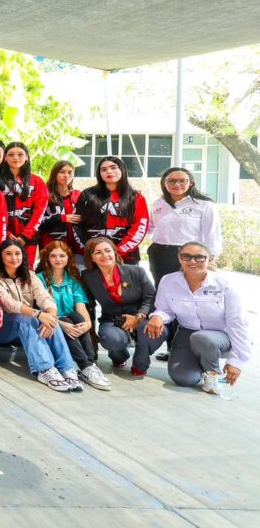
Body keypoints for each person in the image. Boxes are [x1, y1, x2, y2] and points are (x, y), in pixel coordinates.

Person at [146, 241, 249, 394]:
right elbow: (164, 309)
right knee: (183, 379)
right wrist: (158, 316)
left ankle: (212, 373)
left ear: (210, 259)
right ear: (179, 258)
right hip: (187, 331)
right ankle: (200, 362)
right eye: (186, 256)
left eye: (199, 257)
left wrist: (236, 360)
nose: (192, 261)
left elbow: (237, 323)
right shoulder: (168, 281)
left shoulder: (225, 285)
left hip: (221, 336)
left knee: (202, 338)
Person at [0, 239, 78, 392]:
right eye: (8, 254)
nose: (14, 258)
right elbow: (9, 304)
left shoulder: (29, 275)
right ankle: (45, 369)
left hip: (26, 329)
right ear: (0, 257)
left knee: (51, 320)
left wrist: (51, 315)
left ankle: (67, 368)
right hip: (2, 329)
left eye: (17, 253)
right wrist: (38, 314)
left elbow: (44, 297)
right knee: (27, 317)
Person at [81, 236, 161, 377]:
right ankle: (119, 355)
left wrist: (139, 316)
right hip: (112, 319)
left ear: (114, 252)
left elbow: (151, 297)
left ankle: (140, 363)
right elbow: (88, 304)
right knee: (112, 339)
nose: (104, 255)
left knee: (151, 331)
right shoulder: (88, 277)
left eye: (107, 250)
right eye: (98, 252)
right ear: (92, 258)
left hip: (141, 318)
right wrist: (90, 330)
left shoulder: (136, 272)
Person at [35, 241, 109, 389]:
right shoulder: (39, 278)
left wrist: (87, 324)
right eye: (54, 256)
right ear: (47, 259)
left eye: (62, 255)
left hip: (70, 320)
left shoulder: (73, 280)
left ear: (68, 257)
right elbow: (40, 309)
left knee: (78, 318)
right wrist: (62, 325)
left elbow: (80, 306)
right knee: (67, 319)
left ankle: (89, 365)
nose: (58, 259)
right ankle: (86, 365)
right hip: (49, 321)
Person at [147, 167, 222, 285]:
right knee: (161, 288)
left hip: (190, 254)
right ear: (163, 183)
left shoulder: (204, 204)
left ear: (191, 182)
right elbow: (149, 227)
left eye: (182, 180)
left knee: (190, 288)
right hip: (160, 253)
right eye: (171, 181)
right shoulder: (158, 203)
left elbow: (212, 232)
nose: (177, 184)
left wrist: (211, 256)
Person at [76, 156, 149, 264]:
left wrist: (118, 251)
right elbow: (76, 224)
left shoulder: (136, 197)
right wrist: (91, 250)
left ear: (122, 169)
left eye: (113, 167)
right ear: (99, 173)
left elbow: (140, 228)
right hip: (92, 257)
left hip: (126, 258)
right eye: (104, 169)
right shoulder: (87, 194)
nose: (109, 172)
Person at [0, 142, 48, 267]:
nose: (16, 158)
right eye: (11, 155)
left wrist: (25, 236)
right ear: (5, 157)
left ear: (27, 157)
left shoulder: (37, 181)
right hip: (2, 235)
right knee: (3, 271)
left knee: (27, 271)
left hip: (29, 238)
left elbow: (40, 211)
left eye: (20, 154)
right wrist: (7, 234)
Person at [41, 160, 83, 260]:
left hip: (76, 246)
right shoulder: (44, 194)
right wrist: (62, 218)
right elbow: (39, 222)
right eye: (62, 172)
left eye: (70, 172)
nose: (66, 175)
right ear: (55, 173)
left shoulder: (78, 195)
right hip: (51, 245)